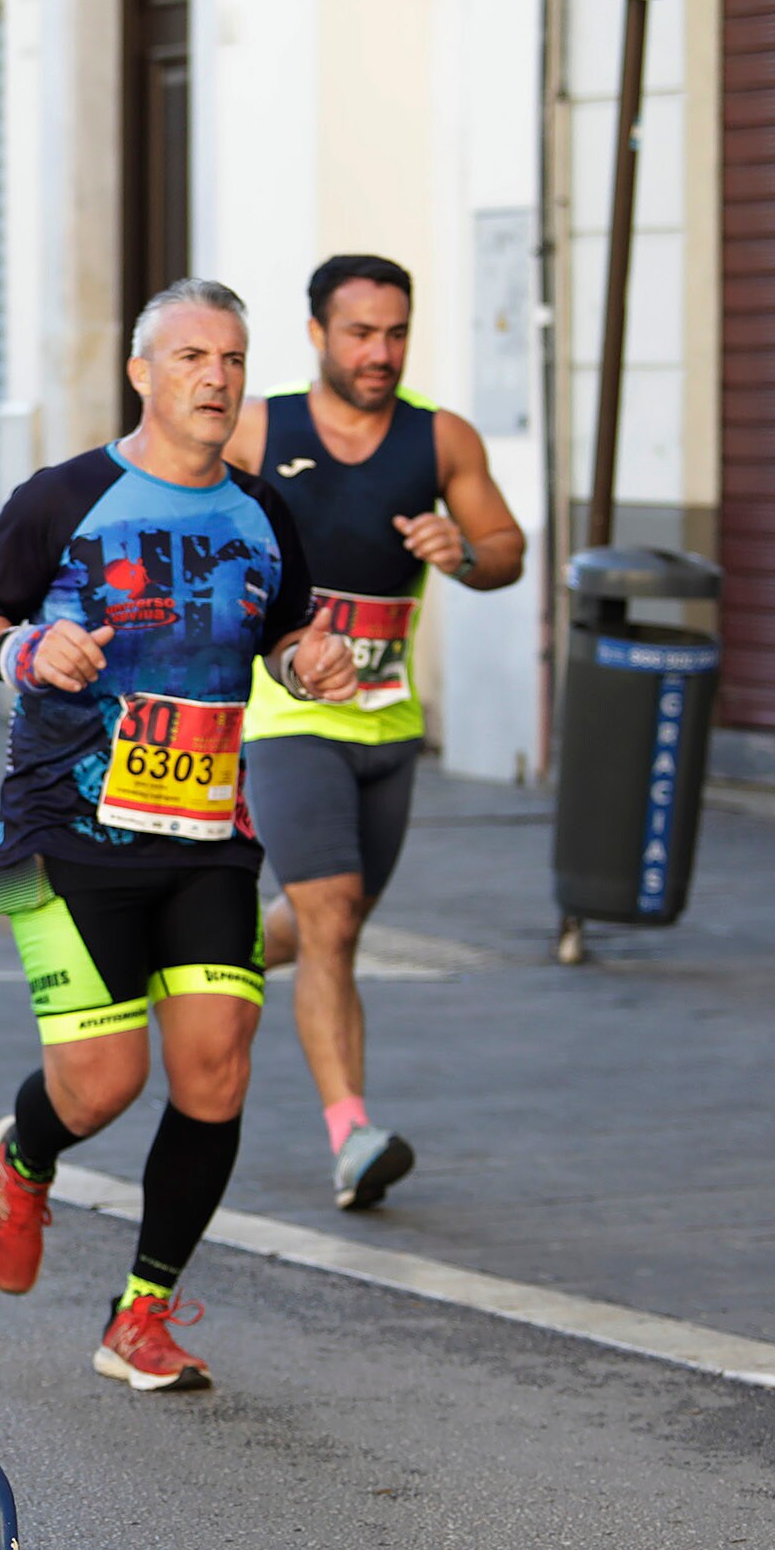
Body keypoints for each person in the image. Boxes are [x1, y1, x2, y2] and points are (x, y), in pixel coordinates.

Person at [0, 279, 358, 1396]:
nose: (216, 379)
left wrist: (309, 660)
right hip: (67, 828)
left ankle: (144, 1312)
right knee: (102, 1084)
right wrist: (26, 651)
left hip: (208, 829)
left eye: (231, 359)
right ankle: (26, 1155)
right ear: (143, 373)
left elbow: (285, 634)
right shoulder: (65, 495)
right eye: (190, 358)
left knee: (217, 1065)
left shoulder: (266, 513)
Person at [228, 253, 528, 1211]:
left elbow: (507, 549)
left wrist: (466, 552)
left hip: (388, 722)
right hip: (284, 716)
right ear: (316, 334)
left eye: (396, 333)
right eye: (359, 333)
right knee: (332, 915)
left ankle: (180, 954)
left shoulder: (439, 439)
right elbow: (169, 517)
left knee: (328, 922)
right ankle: (350, 1133)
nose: (380, 352)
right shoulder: (258, 429)